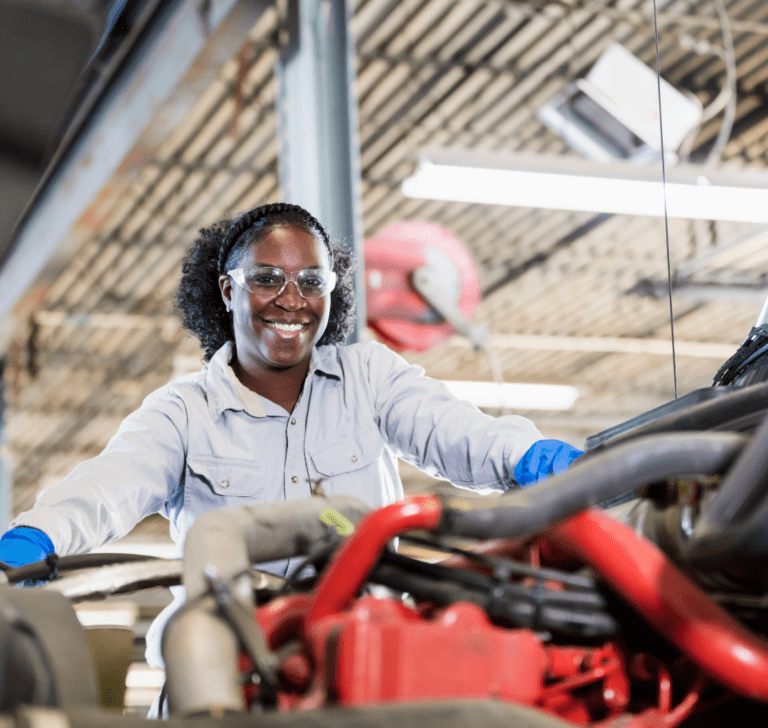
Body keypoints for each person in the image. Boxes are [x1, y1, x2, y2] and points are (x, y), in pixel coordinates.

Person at [0, 202, 582, 657]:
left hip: (362, 660)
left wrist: (527, 456)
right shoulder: (183, 412)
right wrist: (39, 538)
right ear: (228, 289)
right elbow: (107, 487)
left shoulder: (369, 377)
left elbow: (457, 433)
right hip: (228, 671)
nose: (292, 300)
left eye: (312, 282)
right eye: (268, 278)